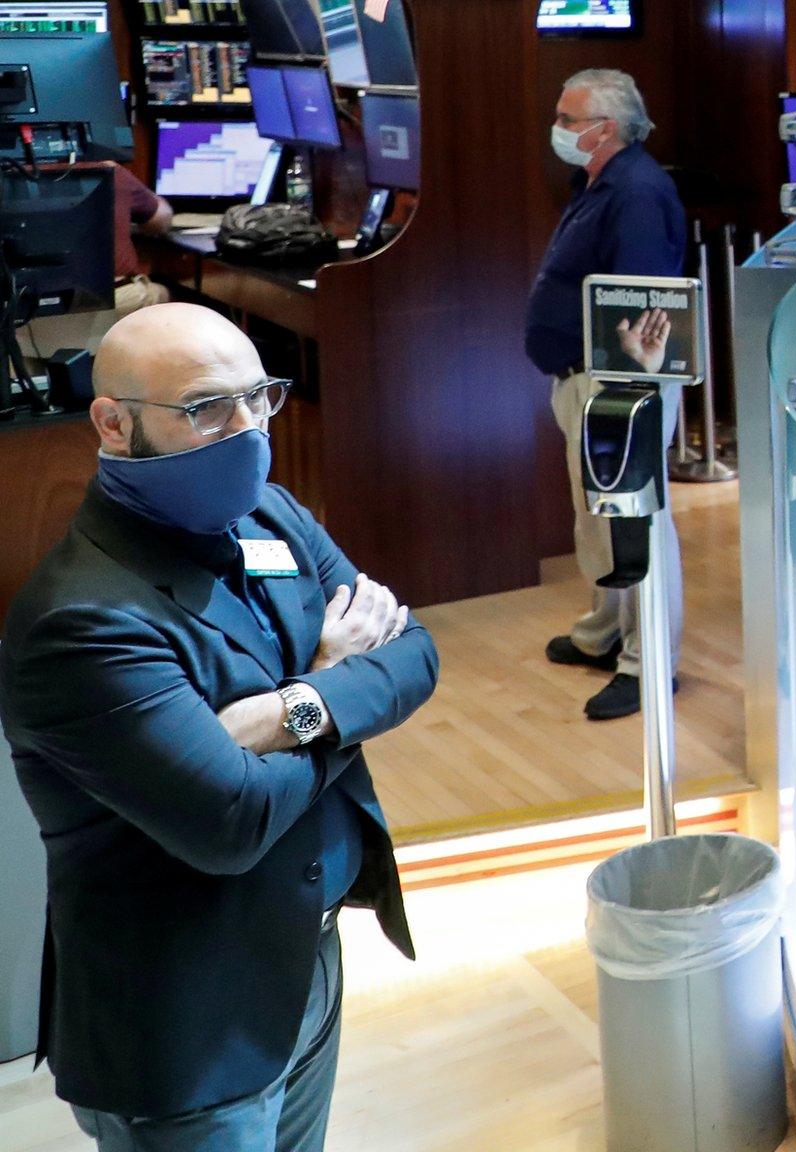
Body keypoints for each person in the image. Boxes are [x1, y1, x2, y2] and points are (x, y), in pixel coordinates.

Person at [0, 303, 439, 1152]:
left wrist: (291, 708)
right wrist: (337, 680)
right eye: (206, 407)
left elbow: (414, 652)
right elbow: (229, 820)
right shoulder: (79, 618)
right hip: (190, 1024)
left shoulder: (269, 515)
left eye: (259, 398)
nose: (247, 430)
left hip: (305, 959)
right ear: (114, 423)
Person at [524, 67, 690, 721]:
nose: (558, 129)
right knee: (597, 519)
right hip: (580, 377)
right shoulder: (597, 182)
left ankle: (649, 665)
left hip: (621, 383)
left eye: (569, 119)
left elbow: (643, 303)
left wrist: (624, 398)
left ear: (608, 127)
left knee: (636, 523)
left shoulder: (639, 192)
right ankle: (606, 632)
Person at [23, 163, 174, 361]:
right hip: (110, 303)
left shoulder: (12, 172)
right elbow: (162, 220)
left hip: (26, 312)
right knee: (158, 293)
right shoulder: (107, 169)